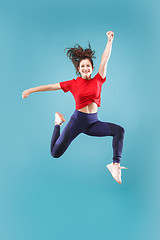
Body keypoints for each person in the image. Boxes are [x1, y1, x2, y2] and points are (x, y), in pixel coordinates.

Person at [22, 31, 127, 184]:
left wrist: (110, 41)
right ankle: (58, 123)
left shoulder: (98, 80)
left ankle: (115, 165)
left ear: (92, 68)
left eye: (88, 66)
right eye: (82, 66)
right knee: (55, 153)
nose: (85, 68)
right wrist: (30, 90)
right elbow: (51, 87)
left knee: (119, 131)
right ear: (79, 69)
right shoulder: (73, 83)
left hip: (93, 123)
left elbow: (105, 59)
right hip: (77, 122)